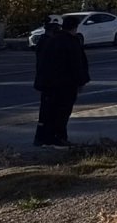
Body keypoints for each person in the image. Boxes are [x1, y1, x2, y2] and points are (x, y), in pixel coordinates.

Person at [33, 15, 90, 147]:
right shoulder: (71, 42)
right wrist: (81, 81)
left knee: (47, 112)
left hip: (48, 83)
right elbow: (77, 63)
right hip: (65, 84)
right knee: (61, 112)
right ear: (75, 27)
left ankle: (44, 138)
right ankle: (57, 138)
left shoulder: (49, 41)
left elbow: (42, 63)